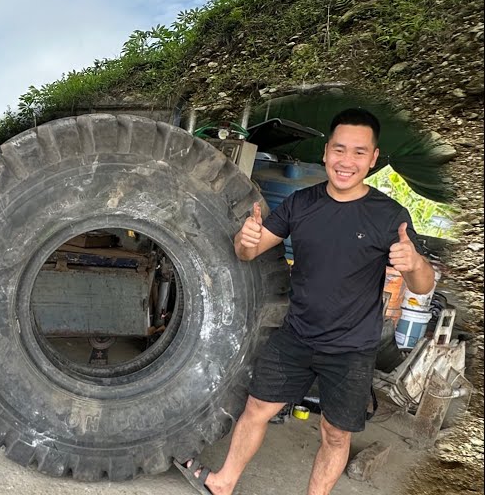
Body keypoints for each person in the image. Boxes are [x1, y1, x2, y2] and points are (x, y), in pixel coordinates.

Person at [177, 107, 436, 495]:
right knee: (256, 409)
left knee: (334, 433)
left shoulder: (388, 216)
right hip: (296, 335)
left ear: (374, 159)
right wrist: (244, 241)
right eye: (339, 149)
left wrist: (415, 263)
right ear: (326, 151)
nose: (346, 162)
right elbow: (249, 251)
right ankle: (223, 483)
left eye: (359, 153)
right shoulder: (302, 203)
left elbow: (422, 285)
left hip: (351, 348)